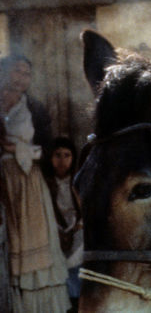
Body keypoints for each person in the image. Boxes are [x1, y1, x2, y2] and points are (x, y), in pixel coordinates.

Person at [0, 54, 71, 313]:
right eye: (16, 71)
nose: (21, 78)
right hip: (1, 180)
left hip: (26, 181)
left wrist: (18, 148)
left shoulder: (35, 109)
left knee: (30, 240)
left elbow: (47, 147)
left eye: (26, 74)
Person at [44, 137, 83, 310]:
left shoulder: (78, 181)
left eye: (67, 155)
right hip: (54, 229)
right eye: (57, 155)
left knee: (77, 257)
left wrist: (77, 226)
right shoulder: (46, 183)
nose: (62, 160)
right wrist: (58, 230)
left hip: (77, 229)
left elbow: (85, 209)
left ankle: (77, 301)